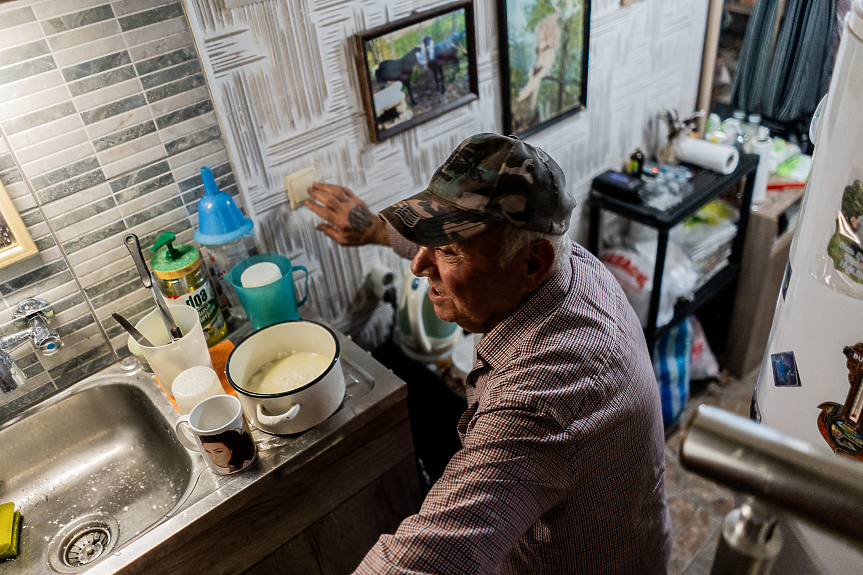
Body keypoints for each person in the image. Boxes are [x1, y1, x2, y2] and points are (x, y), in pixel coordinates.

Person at [306, 133, 671, 574]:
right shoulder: (564, 261)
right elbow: (483, 246)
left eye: (446, 249)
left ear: (531, 265)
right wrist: (380, 231)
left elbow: (431, 559)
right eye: (429, 241)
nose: (419, 266)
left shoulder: (550, 389)